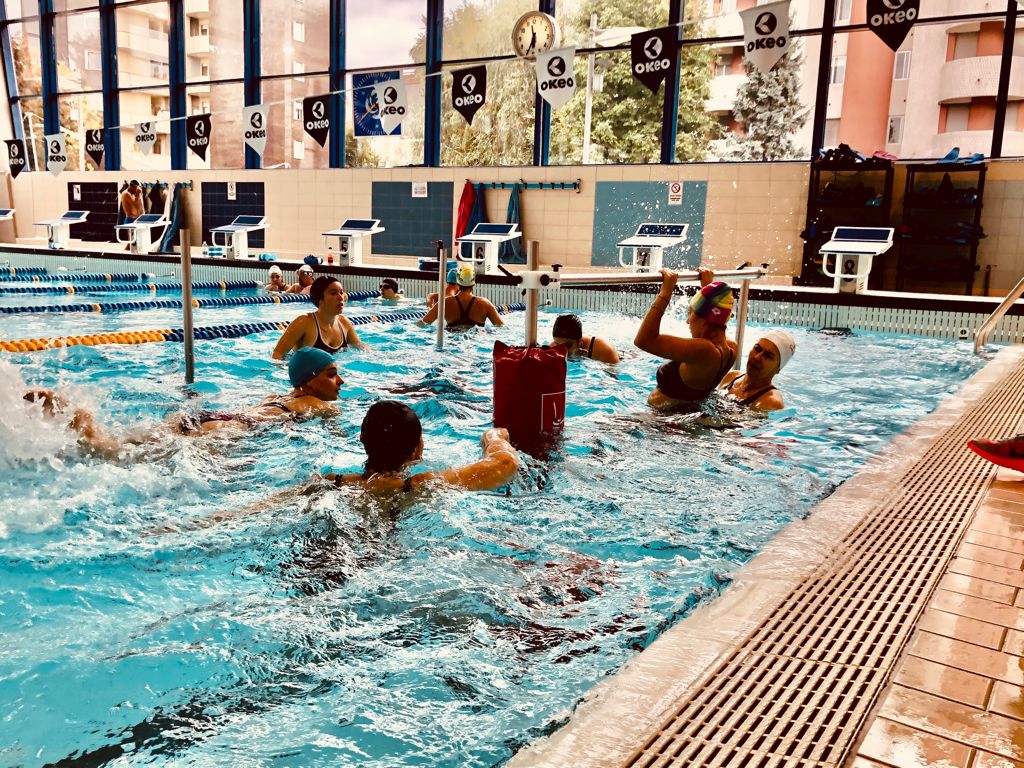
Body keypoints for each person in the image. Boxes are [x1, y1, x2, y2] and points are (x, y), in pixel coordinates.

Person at [23, 347, 343, 459]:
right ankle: (86, 427)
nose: (340, 381)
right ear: (309, 379)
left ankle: (81, 421)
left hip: (210, 416)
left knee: (123, 444)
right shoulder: (320, 405)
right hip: (233, 427)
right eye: (331, 374)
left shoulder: (276, 397)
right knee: (124, 458)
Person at [326, 400, 518, 493]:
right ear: (416, 450)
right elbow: (505, 463)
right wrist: (494, 436)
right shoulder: (423, 486)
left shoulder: (332, 482)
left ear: (363, 440)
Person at [634, 268, 737, 411]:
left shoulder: (704, 350)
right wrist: (708, 288)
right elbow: (715, 316)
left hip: (663, 419)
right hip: (680, 414)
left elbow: (643, 340)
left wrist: (665, 294)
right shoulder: (731, 348)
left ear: (704, 319)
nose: (688, 321)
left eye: (691, 313)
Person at [272, 275, 362, 358]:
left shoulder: (344, 323)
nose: (341, 297)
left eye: (341, 293)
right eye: (333, 293)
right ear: (320, 299)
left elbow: (361, 348)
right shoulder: (304, 323)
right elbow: (277, 354)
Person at [718, 330, 795, 411]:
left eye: (768, 356)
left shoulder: (771, 401)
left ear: (778, 369)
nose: (757, 358)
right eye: (757, 348)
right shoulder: (731, 376)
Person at [417, 266, 504, 330]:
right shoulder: (485, 303)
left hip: (452, 341)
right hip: (476, 339)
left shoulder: (445, 303)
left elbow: (422, 324)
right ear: (473, 283)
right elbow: (501, 327)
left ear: (458, 282)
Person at [551, 314, 620, 365]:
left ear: (580, 340)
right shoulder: (552, 348)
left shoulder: (602, 348)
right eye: (557, 345)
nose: (563, 351)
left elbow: (612, 377)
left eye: (568, 345)